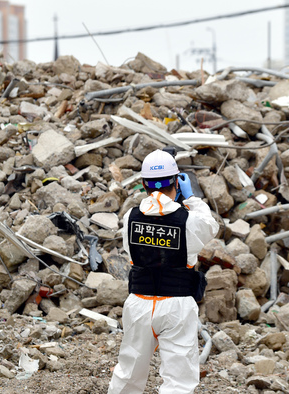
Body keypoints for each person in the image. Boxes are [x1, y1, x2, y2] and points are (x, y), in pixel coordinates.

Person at [108, 149, 219, 394]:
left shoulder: (131, 217)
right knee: (178, 380)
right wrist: (191, 199)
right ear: (176, 183)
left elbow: (132, 249)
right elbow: (211, 227)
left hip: (139, 303)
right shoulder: (188, 220)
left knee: (128, 373)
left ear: (143, 185)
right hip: (176, 305)